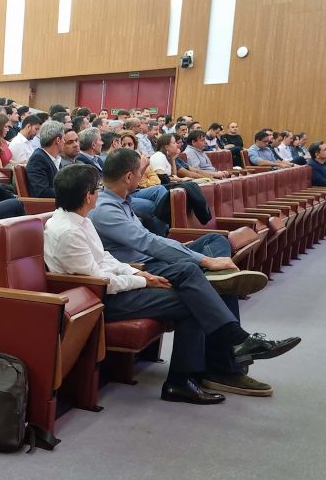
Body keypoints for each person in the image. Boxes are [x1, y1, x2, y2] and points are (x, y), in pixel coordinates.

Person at [90, 148, 299, 395]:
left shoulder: (123, 201)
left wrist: (188, 251)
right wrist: (204, 261)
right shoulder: (105, 209)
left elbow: (151, 239)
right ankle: (227, 361)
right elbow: (147, 243)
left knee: (216, 241)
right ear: (128, 177)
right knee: (204, 277)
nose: (142, 176)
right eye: (140, 172)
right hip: (143, 267)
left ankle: (216, 297)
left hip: (154, 259)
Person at [46, 164, 224, 403]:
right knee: (190, 303)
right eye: (97, 189)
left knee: (189, 285)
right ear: (88, 196)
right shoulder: (68, 231)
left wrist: (138, 273)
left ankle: (200, 366)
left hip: (109, 288)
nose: (100, 193)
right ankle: (181, 382)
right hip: (97, 300)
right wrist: (141, 281)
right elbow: (100, 281)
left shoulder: (81, 220)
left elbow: (104, 258)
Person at [24, 120, 65, 197]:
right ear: (58, 140)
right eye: (63, 139)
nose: (64, 142)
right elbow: (42, 192)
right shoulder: (38, 159)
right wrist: (70, 193)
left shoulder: (53, 158)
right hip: (48, 203)